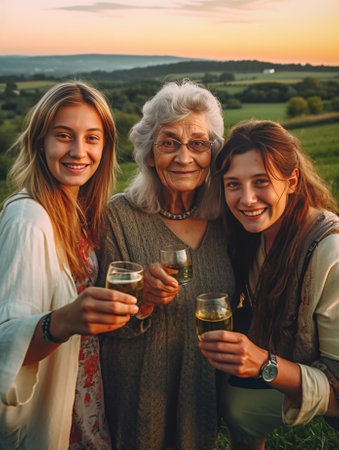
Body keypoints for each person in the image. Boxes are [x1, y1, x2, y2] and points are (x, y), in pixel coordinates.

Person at [96, 80, 235, 449]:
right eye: (169, 142)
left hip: (202, 391)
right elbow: (103, 327)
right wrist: (143, 301)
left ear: (213, 154)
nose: (184, 157)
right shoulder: (119, 217)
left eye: (198, 144)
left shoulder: (229, 221)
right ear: (149, 153)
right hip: (138, 394)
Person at [0, 81, 139, 449]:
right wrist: (64, 321)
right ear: (39, 142)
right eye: (64, 135)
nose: (79, 151)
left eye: (92, 138)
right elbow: (5, 344)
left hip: (86, 401)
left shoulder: (81, 214)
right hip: (51, 413)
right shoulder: (28, 218)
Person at [198, 119, 339, 449]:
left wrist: (264, 363)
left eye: (260, 182)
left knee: (238, 406)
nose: (247, 199)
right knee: (233, 400)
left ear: (291, 182)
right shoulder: (250, 236)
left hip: (325, 383)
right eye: (233, 184)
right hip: (294, 359)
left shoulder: (329, 252)